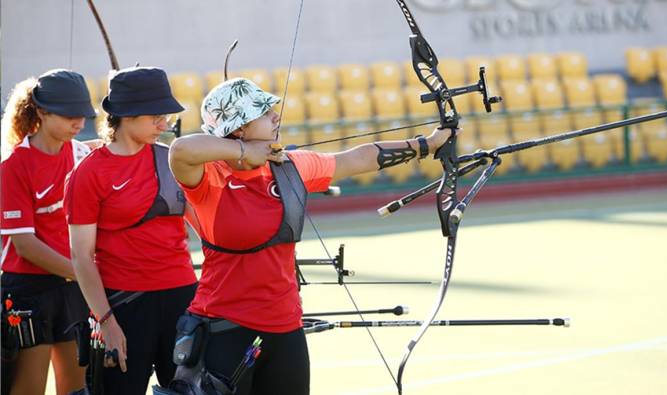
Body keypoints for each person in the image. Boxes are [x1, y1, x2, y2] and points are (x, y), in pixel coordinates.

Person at [164, 77, 454, 395]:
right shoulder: (210, 177)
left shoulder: (288, 167)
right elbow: (181, 150)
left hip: (285, 326)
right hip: (223, 327)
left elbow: (356, 159)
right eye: (263, 111)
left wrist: (428, 144)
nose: (275, 116)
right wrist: (245, 152)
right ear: (240, 127)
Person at [64, 66, 198, 395]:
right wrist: (107, 321)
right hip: (124, 306)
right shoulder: (89, 172)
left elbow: (209, 230)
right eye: (155, 116)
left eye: (164, 116)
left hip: (182, 299)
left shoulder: (173, 161)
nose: (164, 124)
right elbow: (81, 256)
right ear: (126, 114)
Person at [0, 69, 95, 395]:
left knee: (76, 388)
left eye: (82, 115)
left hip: (72, 287)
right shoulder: (15, 165)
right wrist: (84, 273)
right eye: (69, 115)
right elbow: (25, 245)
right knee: (29, 387)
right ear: (41, 111)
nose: (78, 123)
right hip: (29, 289)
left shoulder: (81, 155)